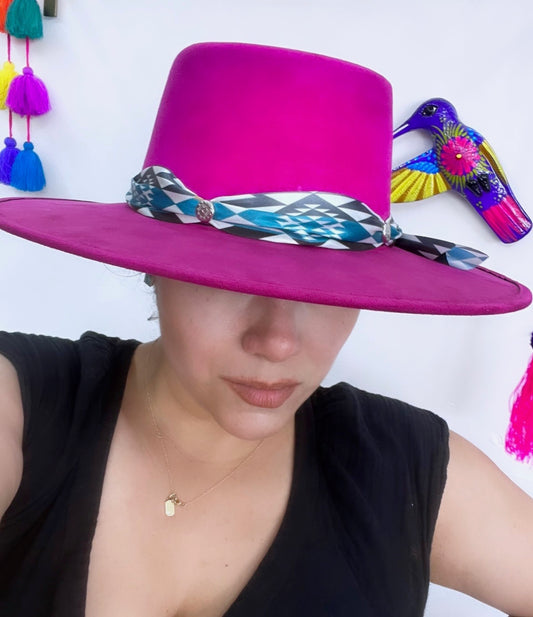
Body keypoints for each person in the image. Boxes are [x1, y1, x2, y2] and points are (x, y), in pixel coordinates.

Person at [0, 42, 532, 617]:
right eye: (227, 280)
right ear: (152, 264)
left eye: (327, 291)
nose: (277, 342)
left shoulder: (406, 469)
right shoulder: (21, 400)